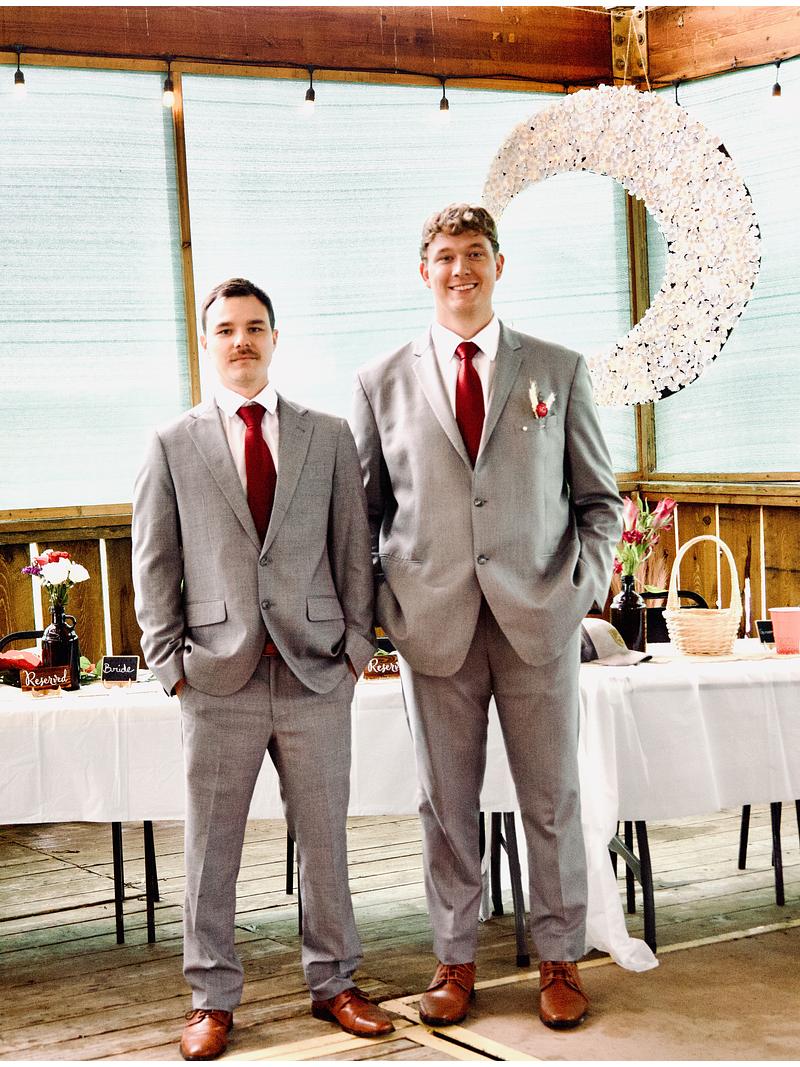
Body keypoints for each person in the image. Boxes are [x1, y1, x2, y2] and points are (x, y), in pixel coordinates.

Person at [352, 204, 622, 1030]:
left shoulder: (558, 369)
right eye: (444, 255)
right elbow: (362, 515)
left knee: (552, 797)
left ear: (499, 266)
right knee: (445, 805)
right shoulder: (379, 381)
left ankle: (560, 955)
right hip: (431, 627)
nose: (460, 268)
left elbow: (600, 502)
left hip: (539, 620)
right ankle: (455, 958)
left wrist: (578, 590)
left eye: (475, 253)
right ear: (423, 271)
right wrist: (385, 607)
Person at [132, 278, 395, 1060]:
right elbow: (155, 563)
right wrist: (170, 665)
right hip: (217, 679)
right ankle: (211, 997)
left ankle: (335, 981)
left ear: (275, 338)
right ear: (206, 342)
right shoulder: (171, 443)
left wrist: (356, 649)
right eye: (226, 329)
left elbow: (354, 548)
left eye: (254, 327)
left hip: (316, 674)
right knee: (210, 848)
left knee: (326, 842)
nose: (240, 340)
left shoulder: (328, 435)